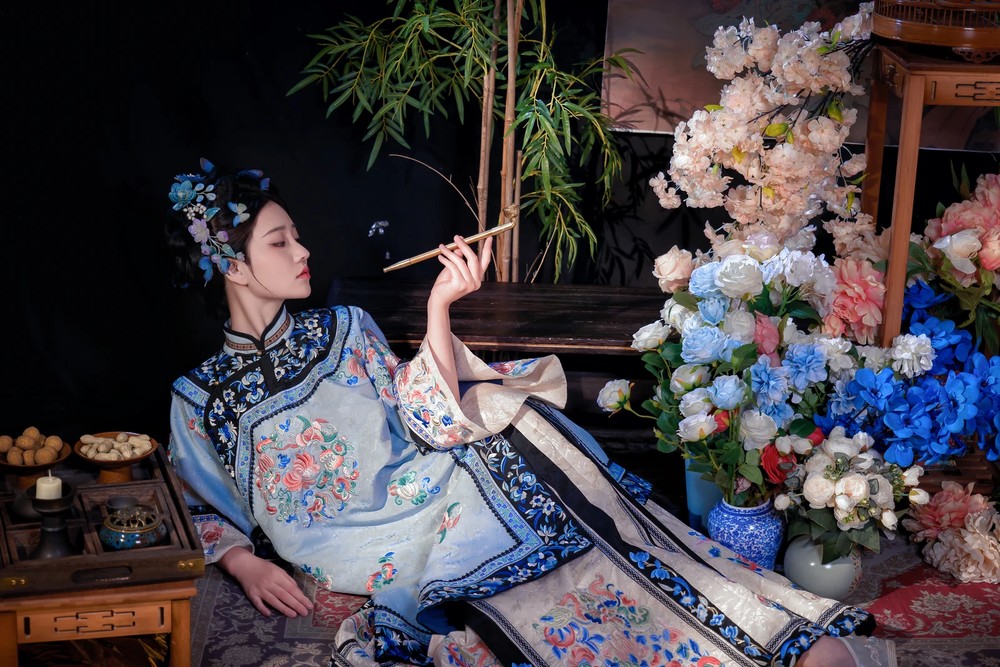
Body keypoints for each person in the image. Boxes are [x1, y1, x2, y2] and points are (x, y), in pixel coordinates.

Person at [165, 159, 896, 667]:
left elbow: (426, 415)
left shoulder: (345, 328)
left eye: (295, 234)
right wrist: (241, 561)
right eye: (280, 241)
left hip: (432, 486)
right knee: (528, 543)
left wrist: (441, 306)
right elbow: (194, 500)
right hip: (354, 540)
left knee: (531, 451)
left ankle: (740, 631)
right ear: (232, 266)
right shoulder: (200, 396)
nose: (303, 250)